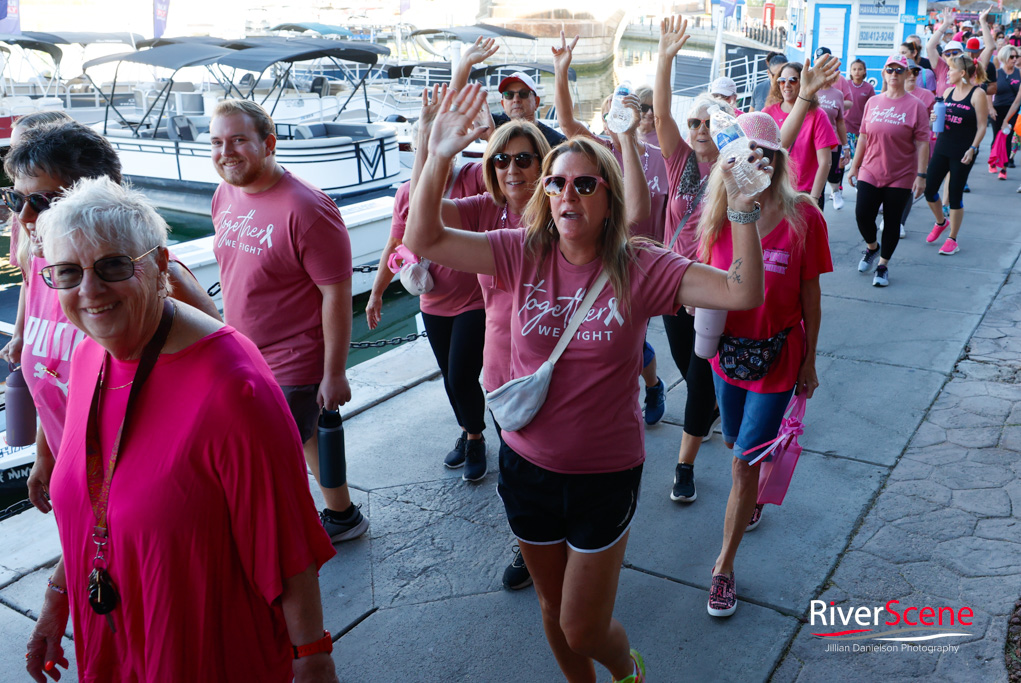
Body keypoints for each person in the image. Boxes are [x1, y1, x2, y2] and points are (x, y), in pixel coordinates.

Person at [404, 81, 767, 683]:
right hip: (526, 466)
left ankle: (625, 672)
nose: (566, 192)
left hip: (604, 474)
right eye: (556, 182)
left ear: (607, 197)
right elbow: (426, 239)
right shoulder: (519, 250)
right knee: (550, 607)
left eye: (584, 183)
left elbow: (740, 291)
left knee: (584, 626)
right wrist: (437, 154)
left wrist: (747, 210)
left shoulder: (642, 264)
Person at [25, 177, 338, 683]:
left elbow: (285, 544)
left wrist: (313, 659)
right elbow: (101, 499)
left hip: (203, 647)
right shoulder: (88, 355)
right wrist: (56, 599)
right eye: (67, 272)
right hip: (114, 633)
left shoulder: (232, 386)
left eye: (113, 265)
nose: (89, 291)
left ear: (159, 267)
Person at [0, 120, 219, 517]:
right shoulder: (43, 265)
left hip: (144, 499)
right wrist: (46, 456)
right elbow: (53, 383)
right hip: (79, 482)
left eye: (43, 202)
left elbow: (226, 370)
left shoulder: (147, 278)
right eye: (17, 200)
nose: (26, 218)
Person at [209, 99, 368, 542]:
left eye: (239, 140)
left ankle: (288, 539)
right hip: (242, 354)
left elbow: (336, 294)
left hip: (294, 363)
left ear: (269, 143)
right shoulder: (224, 193)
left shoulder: (308, 208)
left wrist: (333, 373)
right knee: (308, 440)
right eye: (217, 142)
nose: (227, 152)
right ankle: (342, 515)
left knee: (271, 459)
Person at [697, 112, 831, 619]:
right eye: (744, 155)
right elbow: (705, 282)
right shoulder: (717, 212)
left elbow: (811, 295)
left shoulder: (804, 216)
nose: (754, 163)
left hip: (779, 357)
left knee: (741, 462)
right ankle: (751, 485)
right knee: (734, 443)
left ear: (776, 161)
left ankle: (723, 569)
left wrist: (810, 361)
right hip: (727, 357)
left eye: (764, 154)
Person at [368, 107, 490, 481]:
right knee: (450, 376)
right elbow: (394, 243)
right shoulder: (407, 193)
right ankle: (470, 429)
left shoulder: (472, 178)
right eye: (424, 140)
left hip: (474, 301)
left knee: (460, 377)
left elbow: (503, 175)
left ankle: (475, 438)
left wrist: (488, 130)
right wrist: (376, 295)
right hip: (433, 302)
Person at [553, 30, 665, 424]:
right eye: (610, 112)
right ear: (603, 118)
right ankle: (631, 394)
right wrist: (561, 70)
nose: (616, 118)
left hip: (639, 261)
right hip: (598, 258)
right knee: (609, 335)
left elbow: (662, 210)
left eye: (626, 111)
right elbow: (565, 121)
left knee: (631, 337)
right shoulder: (597, 150)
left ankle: (648, 387)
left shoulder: (655, 154)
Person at [847, 55, 930, 287]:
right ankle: (872, 248)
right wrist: (854, 166)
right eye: (890, 69)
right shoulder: (873, 102)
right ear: (884, 73)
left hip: (901, 174)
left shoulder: (916, 106)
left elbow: (923, 142)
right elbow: (863, 135)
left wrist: (921, 176)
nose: (894, 74)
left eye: (899, 70)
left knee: (892, 222)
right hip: (870, 169)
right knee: (863, 215)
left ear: (906, 74)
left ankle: (882, 266)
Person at [922, 55, 989, 255]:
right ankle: (940, 222)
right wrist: (934, 117)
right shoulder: (948, 91)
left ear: (961, 73)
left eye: (951, 70)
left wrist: (973, 148)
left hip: (963, 151)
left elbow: (982, 126)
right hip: (943, 146)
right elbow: (939, 119)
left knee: (955, 194)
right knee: (929, 189)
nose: (948, 73)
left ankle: (952, 239)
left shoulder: (978, 94)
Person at [763, 62, 840, 209]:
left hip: (805, 194)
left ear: (803, 82)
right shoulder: (767, 112)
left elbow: (825, 162)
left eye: (793, 80)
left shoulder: (817, 115)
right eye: (782, 80)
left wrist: (814, 198)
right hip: (774, 192)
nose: (786, 85)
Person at [815, 74, 851, 209]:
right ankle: (818, 215)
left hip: (833, 142)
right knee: (818, 184)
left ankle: (836, 191)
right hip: (814, 143)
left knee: (832, 174)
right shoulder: (811, 91)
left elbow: (840, 122)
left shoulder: (838, 94)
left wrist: (846, 145)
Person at [990, 45, 1020, 175]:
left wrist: (1007, 119)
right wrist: (990, 108)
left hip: (1012, 109)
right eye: (1011, 57)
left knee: (1007, 137)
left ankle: (1004, 168)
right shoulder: (997, 73)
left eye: (1016, 56)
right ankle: (992, 161)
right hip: (997, 109)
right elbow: (988, 92)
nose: (1014, 59)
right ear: (1004, 57)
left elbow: (1018, 100)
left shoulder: (1019, 72)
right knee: (997, 135)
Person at [844, 59, 876, 165]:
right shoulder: (845, 85)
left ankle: (858, 179)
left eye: (860, 69)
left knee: (860, 159)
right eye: (854, 69)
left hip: (861, 130)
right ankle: (838, 182)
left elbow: (873, 107)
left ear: (864, 71)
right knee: (842, 159)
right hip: (845, 128)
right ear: (850, 71)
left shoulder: (868, 88)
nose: (857, 71)